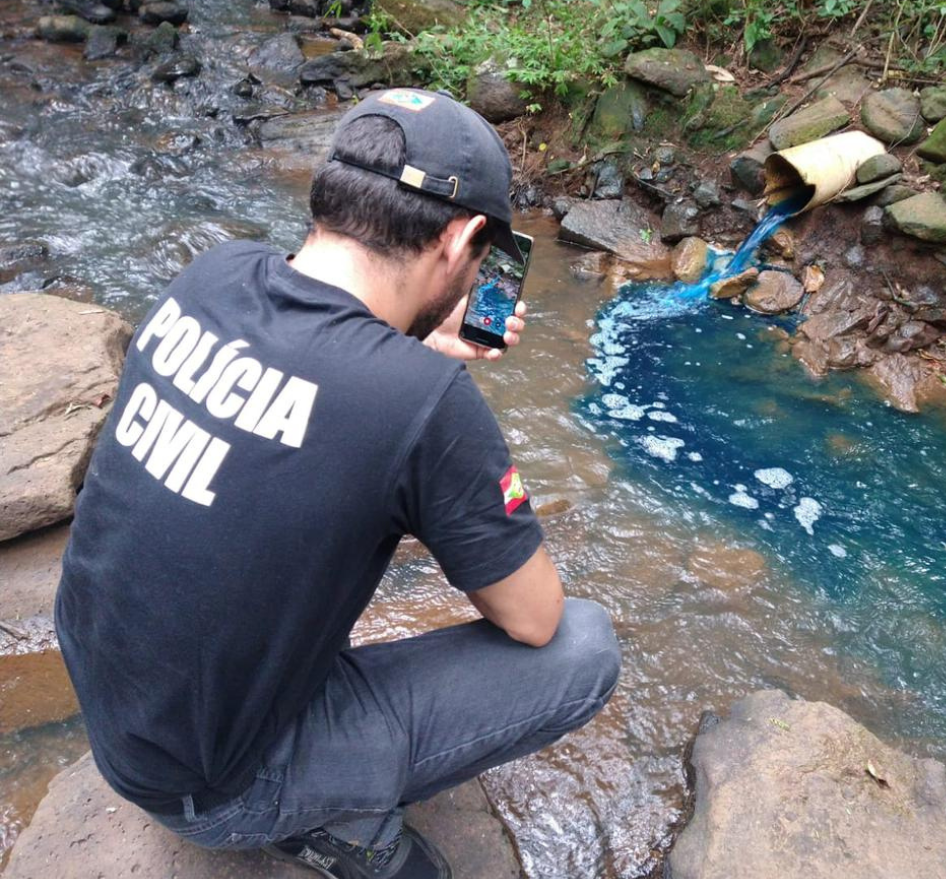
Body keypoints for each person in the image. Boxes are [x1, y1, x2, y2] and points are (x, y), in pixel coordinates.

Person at [54, 87, 621, 879]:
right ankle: (334, 822)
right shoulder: (418, 404)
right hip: (219, 787)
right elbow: (534, 619)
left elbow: (305, 403)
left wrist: (417, 356)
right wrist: (433, 400)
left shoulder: (213, 276)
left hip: (121, 713)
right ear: (461, 240)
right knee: (584, 645)